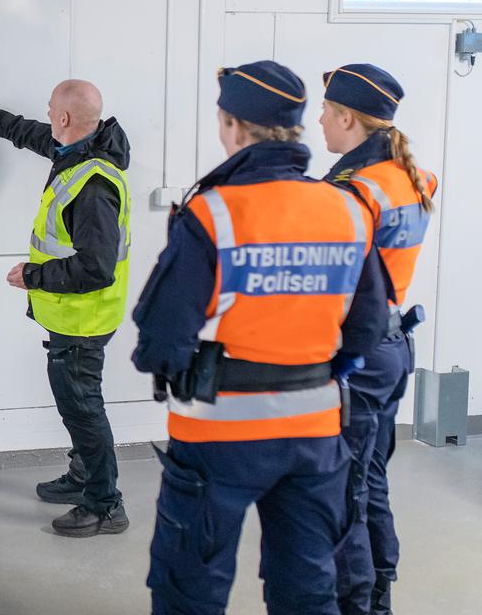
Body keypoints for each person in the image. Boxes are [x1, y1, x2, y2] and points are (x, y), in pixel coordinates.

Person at [132, 60, 390, 614]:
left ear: (231, 125)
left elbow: (160, 335)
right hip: (315, 432)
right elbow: (367, 327)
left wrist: (174, 367)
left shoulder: (214, 211)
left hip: (217, 434)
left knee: (191, 589)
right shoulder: (347, 208)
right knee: (308, 588)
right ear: (296, 127)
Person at [0, 81, 132, 537]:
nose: (47, 118)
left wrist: (32, 276)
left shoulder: (94, 187)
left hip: (83, 319)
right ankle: (83, 478)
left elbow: (96, 268)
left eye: (50, 111)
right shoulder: (83, 150)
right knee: (79, 407)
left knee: (82, 409)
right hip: (75, 316)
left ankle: (104, 504)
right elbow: (46, 139)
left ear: (65, 118)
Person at [320, 64, 437, 615]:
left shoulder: (354, 191)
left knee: (346, 491)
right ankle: (380, 587)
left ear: (347, 117)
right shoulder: (412, 176)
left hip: (357, 358)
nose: (319, 120)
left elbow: (328, 282)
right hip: (392, 351)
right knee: (368, 479)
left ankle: (360, 603)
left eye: (325, 110)